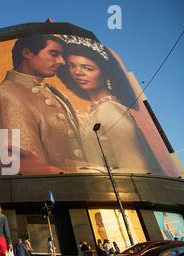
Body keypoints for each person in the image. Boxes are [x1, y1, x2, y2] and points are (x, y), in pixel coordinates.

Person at [57, 35, 164, 174]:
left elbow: (137, 170)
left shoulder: (110, 111)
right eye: (72, 66)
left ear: (105, 72)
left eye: (87, 68)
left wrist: (78, 171)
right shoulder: (95, 110)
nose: (78, 73)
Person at [0, 34, 85, 175]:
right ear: (27, 53)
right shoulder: (6, 97)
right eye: (54, 54)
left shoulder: (54, 92)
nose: (61, 61)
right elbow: (25, 169)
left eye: (62, 56)